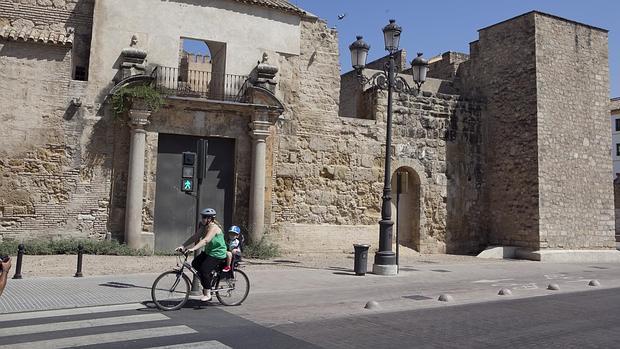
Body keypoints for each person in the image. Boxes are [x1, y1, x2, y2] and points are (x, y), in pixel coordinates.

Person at [176, 208, 227, 302]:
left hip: (217, 254)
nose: (202, 219)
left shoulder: (214, 228)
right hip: (209, 252)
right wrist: (183, 246)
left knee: (204, 270)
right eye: (202, 217)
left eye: (205, 217)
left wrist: (193, 249)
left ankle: (208, 293)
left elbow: (206, 240)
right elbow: (195, 237)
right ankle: (208, 278)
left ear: (210, 219)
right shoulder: (204, 227)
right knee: (195, 263)